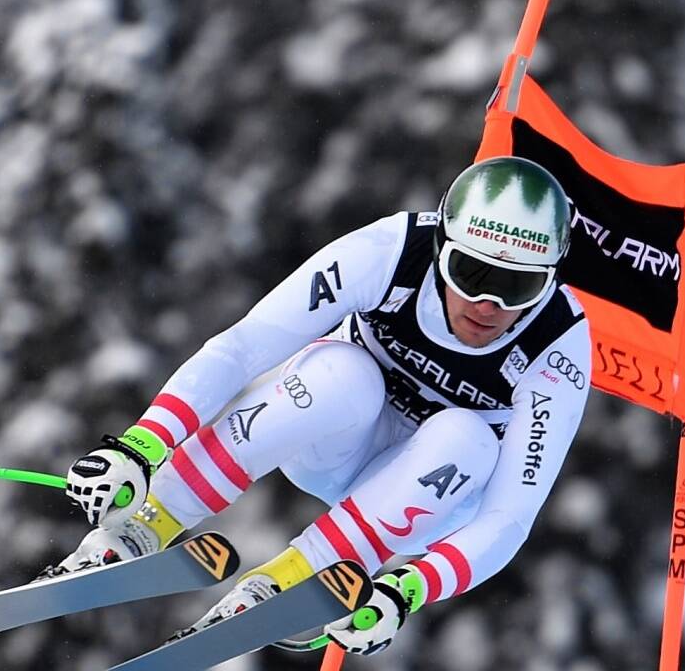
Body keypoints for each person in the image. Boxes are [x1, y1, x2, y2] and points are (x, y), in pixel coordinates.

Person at [51, 156, 591, 656]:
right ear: (440, 247)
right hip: (331, 439)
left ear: (551, 279)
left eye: (518, 286)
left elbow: (509, 516)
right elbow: (244, 346)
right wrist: (143, 444)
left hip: (421, 496)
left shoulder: (558, 347)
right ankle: (147, 523)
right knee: (343, 375)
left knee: (468, 439)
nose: (488, 304)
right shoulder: (389, 252)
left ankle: (287, 582)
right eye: (470, 273)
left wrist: (410, 588)